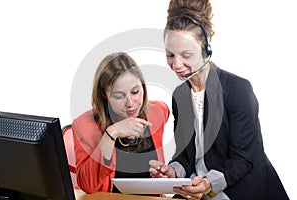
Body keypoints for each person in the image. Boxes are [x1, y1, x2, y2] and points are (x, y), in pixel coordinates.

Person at [149, 0, 290, 199]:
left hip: (242, 189)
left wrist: (208, 183)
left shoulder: (238, 89)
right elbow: (186, 156)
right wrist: (172, 172)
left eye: (186, 54)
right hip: (202, 189)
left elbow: (245, 158)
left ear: (206, 48)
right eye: (170, 54)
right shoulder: (180, 95)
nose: (176, 64)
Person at [72, 52, 169, 194]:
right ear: (105, 95)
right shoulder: (84, 125)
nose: (130, 104)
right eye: (119, 96)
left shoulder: (158, 111)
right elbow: (87, 185)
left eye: (135, 92)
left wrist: (162, 173)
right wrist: (111, 133)